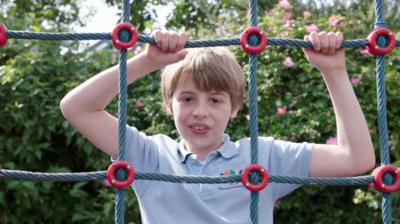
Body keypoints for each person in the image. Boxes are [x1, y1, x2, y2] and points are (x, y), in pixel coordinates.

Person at [60, 30, 375, 224]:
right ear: (169, 104)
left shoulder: (260, 157)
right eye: (187, 98)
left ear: (234, 107)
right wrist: (149, 61)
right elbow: (76, 108)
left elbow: (356, 159)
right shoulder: (151, 155)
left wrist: (334, 72)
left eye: (214, 100)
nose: (200, 112)